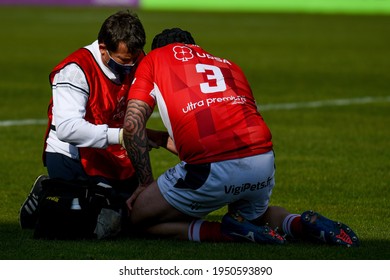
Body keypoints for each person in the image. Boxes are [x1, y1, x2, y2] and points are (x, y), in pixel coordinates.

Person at [122, 28, 359, 247]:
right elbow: (220, 134)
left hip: (210, 169)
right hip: (262, 161)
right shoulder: (229, 66)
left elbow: (132, 125)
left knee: (139, 218)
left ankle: (222, 232)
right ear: (195, 47)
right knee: (254, 218)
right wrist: (163, 140)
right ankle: (297, 223)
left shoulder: (154, 60)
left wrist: (145, 182)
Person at [19, 10, 167, 232]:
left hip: (114, 153)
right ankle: (47, 191)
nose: (129, 70)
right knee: (99, 219)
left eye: (133, 63)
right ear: (102, 48)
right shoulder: (74, 70)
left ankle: (90, 197)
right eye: (123, 63)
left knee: (138, 212)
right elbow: (68, 129)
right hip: (72, 153)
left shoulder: (139, 61)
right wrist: (121, 136)